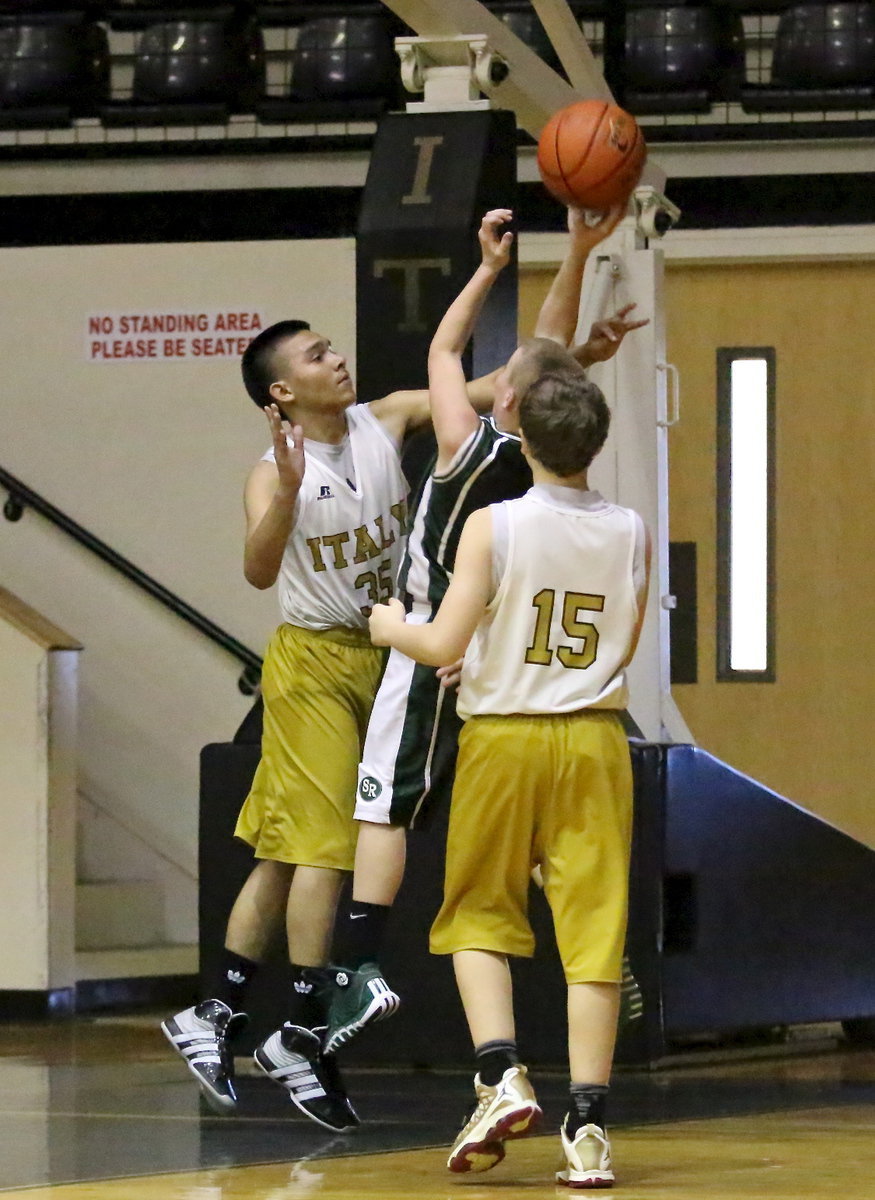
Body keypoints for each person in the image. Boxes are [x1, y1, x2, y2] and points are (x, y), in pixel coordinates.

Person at [324, 206, 647, 1055]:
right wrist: (577, 247)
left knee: (383, 799)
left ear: (505, 397)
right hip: (510, 646)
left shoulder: (467, 444)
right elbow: (547, 345)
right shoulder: (559, 469)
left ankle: (356, 965)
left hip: (436, 633)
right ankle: (604, 958)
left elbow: (440, 351)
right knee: (537, 834)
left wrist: (485, 270)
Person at [368, 273, 651, 1185]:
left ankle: (500, 1075)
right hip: (595, 740)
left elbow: (441, 640)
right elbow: (619, 644)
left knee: (478, 917)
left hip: (503, 739)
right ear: (594, 440)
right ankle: (590, 1128)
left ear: (516, 430)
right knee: (592, 935)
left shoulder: (490, 523)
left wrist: (389, 628)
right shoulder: (632, 530)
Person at [161, 318, 457, 1130]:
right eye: (318, 355)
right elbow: (258, 570)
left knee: (286, 851)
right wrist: (289, 492)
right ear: (282, 392)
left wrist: (573, 342)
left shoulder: (387, 419)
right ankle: (300, 1026)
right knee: (328, 843)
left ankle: (213, 1014)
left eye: (333, 346)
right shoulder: (271, 473)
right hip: (314, 662)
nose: (338, 358)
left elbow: (490, 389)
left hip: (382, 655)